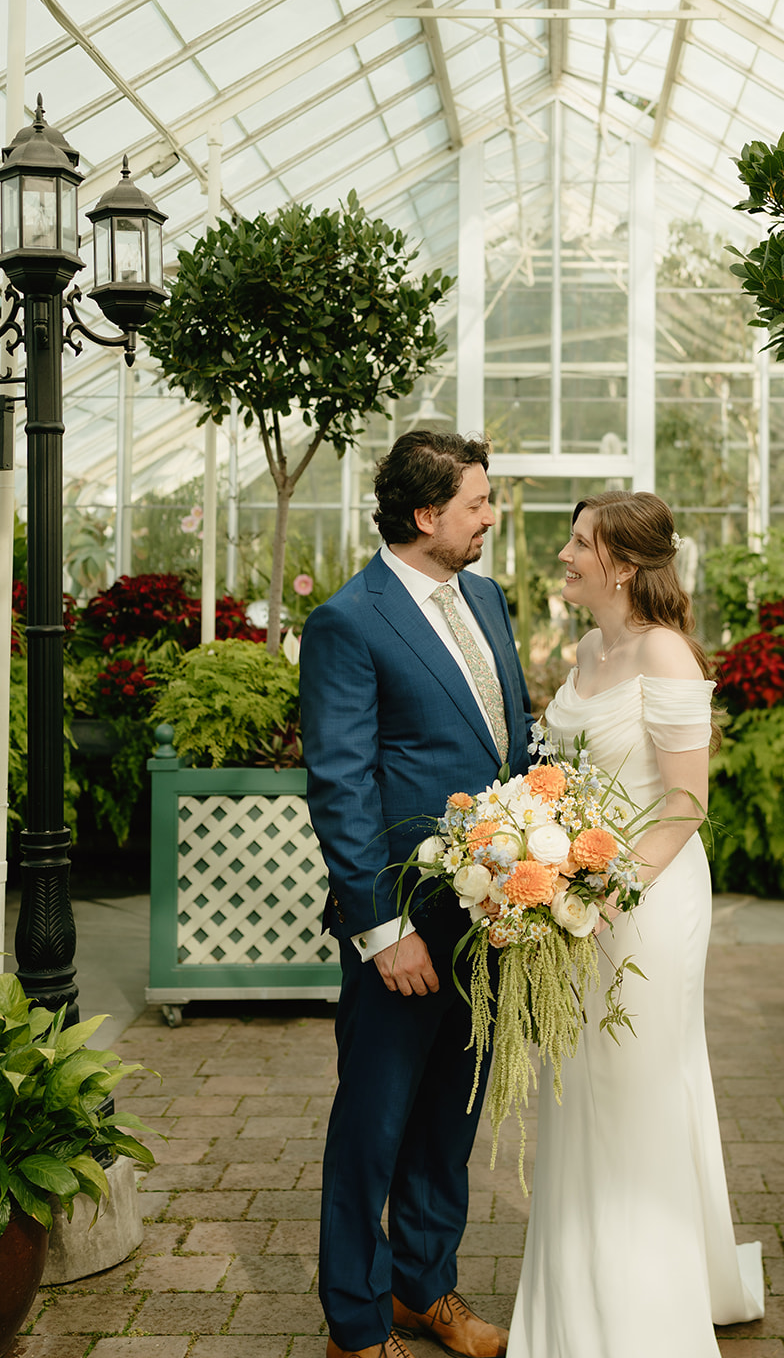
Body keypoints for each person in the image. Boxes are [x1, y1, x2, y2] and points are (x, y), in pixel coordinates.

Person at [508, 491, 765, 1358]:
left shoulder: (666, 653)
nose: (566, 554)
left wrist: (606, 892)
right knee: (579, 1092)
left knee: (635, 1087)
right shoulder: (586, 646)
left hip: (646, 903)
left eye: (580, 543)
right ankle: (585, 1288)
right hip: (575, 892)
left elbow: (686, 805)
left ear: (621, 563)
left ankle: (645, 1316)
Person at [301, 431, 533, 1358]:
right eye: (476, 503)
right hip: (403, 923)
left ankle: (422, 1288)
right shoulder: (347, 621)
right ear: (426, 515)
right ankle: (354, 1325)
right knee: (376, 1122)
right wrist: (381, 929)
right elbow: (341, 783)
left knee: (450, 1117)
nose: (490, 516)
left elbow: (506, 743)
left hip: (492, 915)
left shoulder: (486, 597)